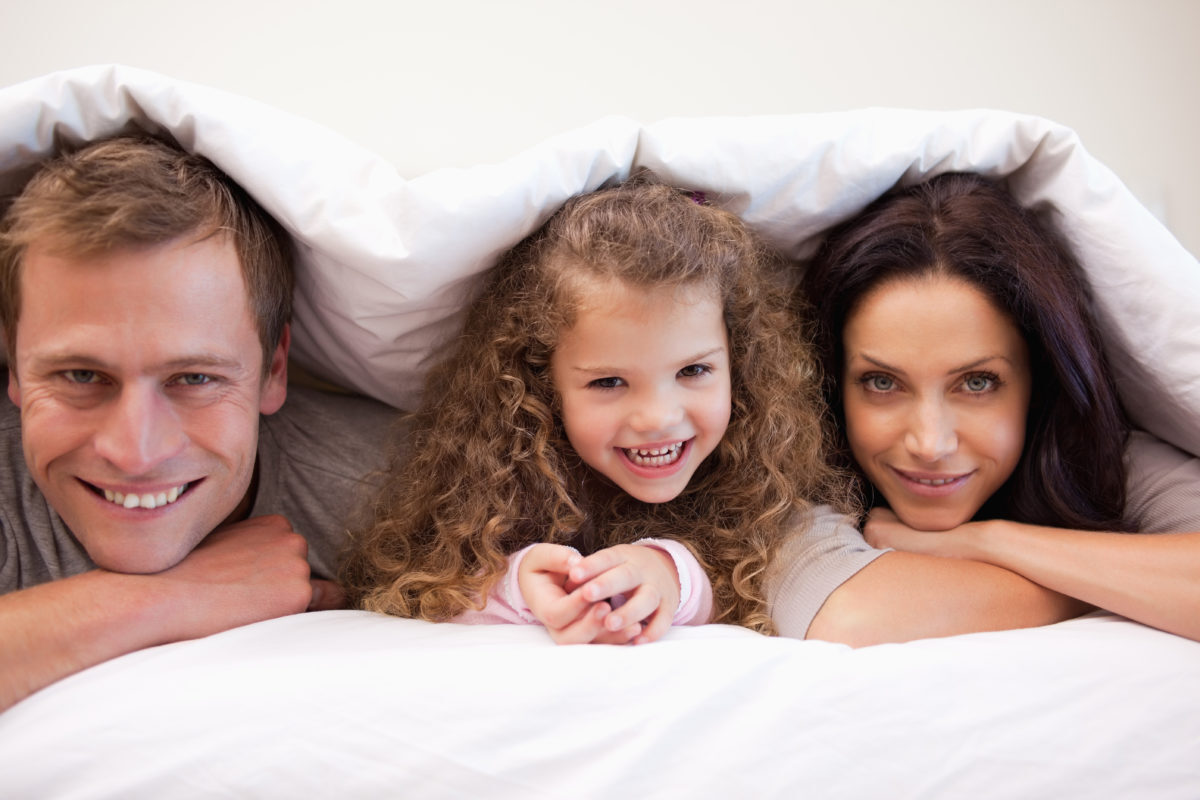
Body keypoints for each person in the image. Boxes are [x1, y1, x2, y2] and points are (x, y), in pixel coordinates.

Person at [341, 171, 850, 644]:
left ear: (738, 361)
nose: (658, 418)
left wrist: (670, 574)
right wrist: (517, 583)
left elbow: (756, 577)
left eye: (693, 371)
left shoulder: (763, 476)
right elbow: (418, 586)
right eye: (608, 382)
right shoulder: (497, 474)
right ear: (543, 381)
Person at [0, 135, 396, 711]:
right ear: (14, 367)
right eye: (81, 375)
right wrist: (172, 598)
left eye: (194, 378)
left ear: (273, 369)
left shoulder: (394, 487)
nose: (135, 453)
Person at [782, 171, 1200, 645]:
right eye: (882, 382)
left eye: (977, 383)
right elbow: (853, 616)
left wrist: (986, 542)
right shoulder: (793, 484)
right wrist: (1117, 586)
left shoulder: (1103, 461)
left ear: (1037, 381)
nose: (930, 444)